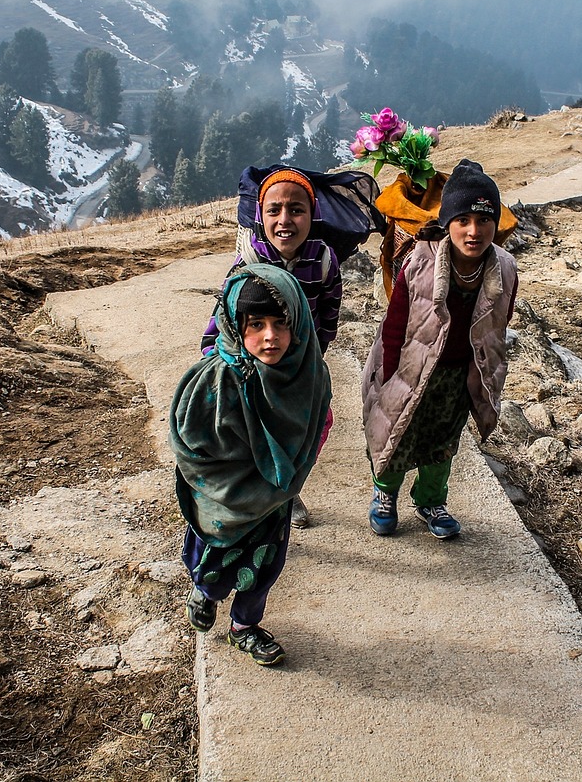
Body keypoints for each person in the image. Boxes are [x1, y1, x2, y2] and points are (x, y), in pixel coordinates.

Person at [172, 264, 332, 666]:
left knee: (263, 568)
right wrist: (236, 475)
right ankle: (205, 594)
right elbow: (193, 445)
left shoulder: (308, 376)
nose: (270, 336)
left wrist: (287, 472)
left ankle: (244, 626)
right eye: (255, 324)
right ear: (233, 325)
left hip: (274, 500)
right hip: (223, 501)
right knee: (212, 560)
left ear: (298, 321)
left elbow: (317, 426)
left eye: (281, 323)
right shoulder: (216, 379)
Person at [361, 159, 518, 539]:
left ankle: (431, 500)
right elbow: (395, 322)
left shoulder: (505, 269)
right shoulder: (421, 260)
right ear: (447, 223)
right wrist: (389, 373)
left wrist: (487, 378)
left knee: (442, 444)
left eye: (484, 220)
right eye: (463, 220)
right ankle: (385, 494)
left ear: (495, 224)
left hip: (456, 377)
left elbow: (498, 327)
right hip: (411, 368)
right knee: (397, 433)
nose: (474, 230)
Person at [200, 168, 342, 528]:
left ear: (313, 214)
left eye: (297, 210)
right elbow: (224, 317)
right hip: (253, 368)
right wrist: (214, 360)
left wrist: (312, 359)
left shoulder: (323, 261)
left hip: (298, 368)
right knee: (256, 433)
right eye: (274, 210)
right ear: (260, 216)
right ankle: (253, 497)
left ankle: (287, 488)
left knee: (312, 425)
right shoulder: (249, 262)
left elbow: (329, 312)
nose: (285, 220)